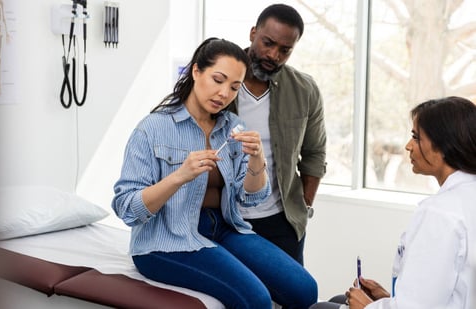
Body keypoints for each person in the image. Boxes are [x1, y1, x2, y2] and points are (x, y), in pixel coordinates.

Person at [111, 37, 318, 309]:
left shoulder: (232, 127)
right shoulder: (152, 129)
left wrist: (256, 159)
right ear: (196, 71)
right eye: (217, 80)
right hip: (165, 240)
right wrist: (179, 176)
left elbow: (251, 199)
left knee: (305, 290)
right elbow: (127, 209)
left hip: (224, 227)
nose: (224, 93)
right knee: (256, 300)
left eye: (234, 87)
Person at [310, 96, 476, 309]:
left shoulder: (440, 213)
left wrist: (366, 307)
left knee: (320, 307)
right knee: (337, 301)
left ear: (444, 146)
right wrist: (387, 298)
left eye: (416, 138)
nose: (408, 146)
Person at [228, 4, 327, 265]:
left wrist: (303, 205)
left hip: (282, 222)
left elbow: (315, 153)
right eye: (268, 43)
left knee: (295, 296)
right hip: (226, 219)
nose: (273, 55)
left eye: (285, 50)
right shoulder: (220, 81)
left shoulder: (304, 89)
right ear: (253, 34)